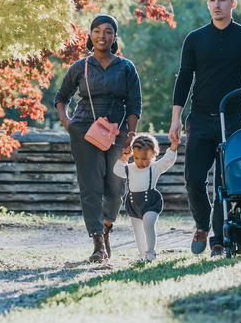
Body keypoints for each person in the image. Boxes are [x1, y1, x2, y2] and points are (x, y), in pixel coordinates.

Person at [168, 0, 241, 257]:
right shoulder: (195, 38)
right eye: (212, 0)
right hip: (199, 119)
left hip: (233, 119)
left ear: (232, 4)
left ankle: (219, 239)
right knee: (194, 180)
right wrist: (176, 119)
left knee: (226, 183)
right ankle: (201, 225)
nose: (217, 5)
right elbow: (184, 79)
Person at [55, 15, 142, 263]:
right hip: (85, 131)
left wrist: (132, 134)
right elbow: (61, 98)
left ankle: (105, 228)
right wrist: (68, 123)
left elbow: (134, 103)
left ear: (115, 37)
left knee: (116, 187)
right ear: (90, 35)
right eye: (96, 31)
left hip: (118, 133)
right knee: (90, 185)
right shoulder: (80, 67)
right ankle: (97, 243)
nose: (102, 35)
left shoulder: (126, 68)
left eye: (107, 31)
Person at [113, 133, 178, 261]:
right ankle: (142, 254)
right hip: (133, 203)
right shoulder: (130, 168)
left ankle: (150, 251)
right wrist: (124, 157)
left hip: (151, 203)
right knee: (138, 231)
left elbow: (168, 160)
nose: (139, 162)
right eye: (136, 158)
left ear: (152, 155)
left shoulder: (155, 167)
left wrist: (174, 144)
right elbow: (117, 170)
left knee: (148, 225)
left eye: (143, 159)